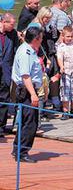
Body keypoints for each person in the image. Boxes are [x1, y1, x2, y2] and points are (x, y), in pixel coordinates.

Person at [11, 26, 43, 162]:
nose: (42, 40)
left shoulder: (28, 50)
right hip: (27, 90)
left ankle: (17, 149)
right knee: (30, 122)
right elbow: (25, 75)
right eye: (41, 38)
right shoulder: (26, 52)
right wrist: (33, 94)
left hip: (26, 89)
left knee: (26, 120)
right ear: (36, 39)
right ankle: (22, 152)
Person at [0, 13, 19, 136]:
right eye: (11, 24)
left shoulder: (13, 34)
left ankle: (1, 126)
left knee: (4, 97)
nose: (13, 26)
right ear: (3, 22)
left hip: (6, 70)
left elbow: (15, 51)